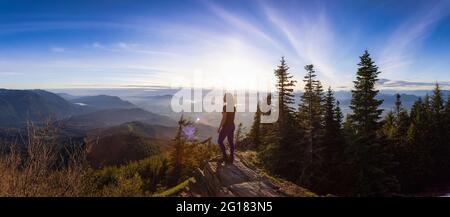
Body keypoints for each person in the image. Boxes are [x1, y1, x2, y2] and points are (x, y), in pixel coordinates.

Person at [218, 92, 236, 164]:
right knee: (231, 141)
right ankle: (231, 157)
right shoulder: (234, 107)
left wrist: (219, 127)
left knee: (220, 141)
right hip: (232, 125)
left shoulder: (225, 107)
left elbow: (224, 119)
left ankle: (224, 156)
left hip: (226, 126)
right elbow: (231, 117)